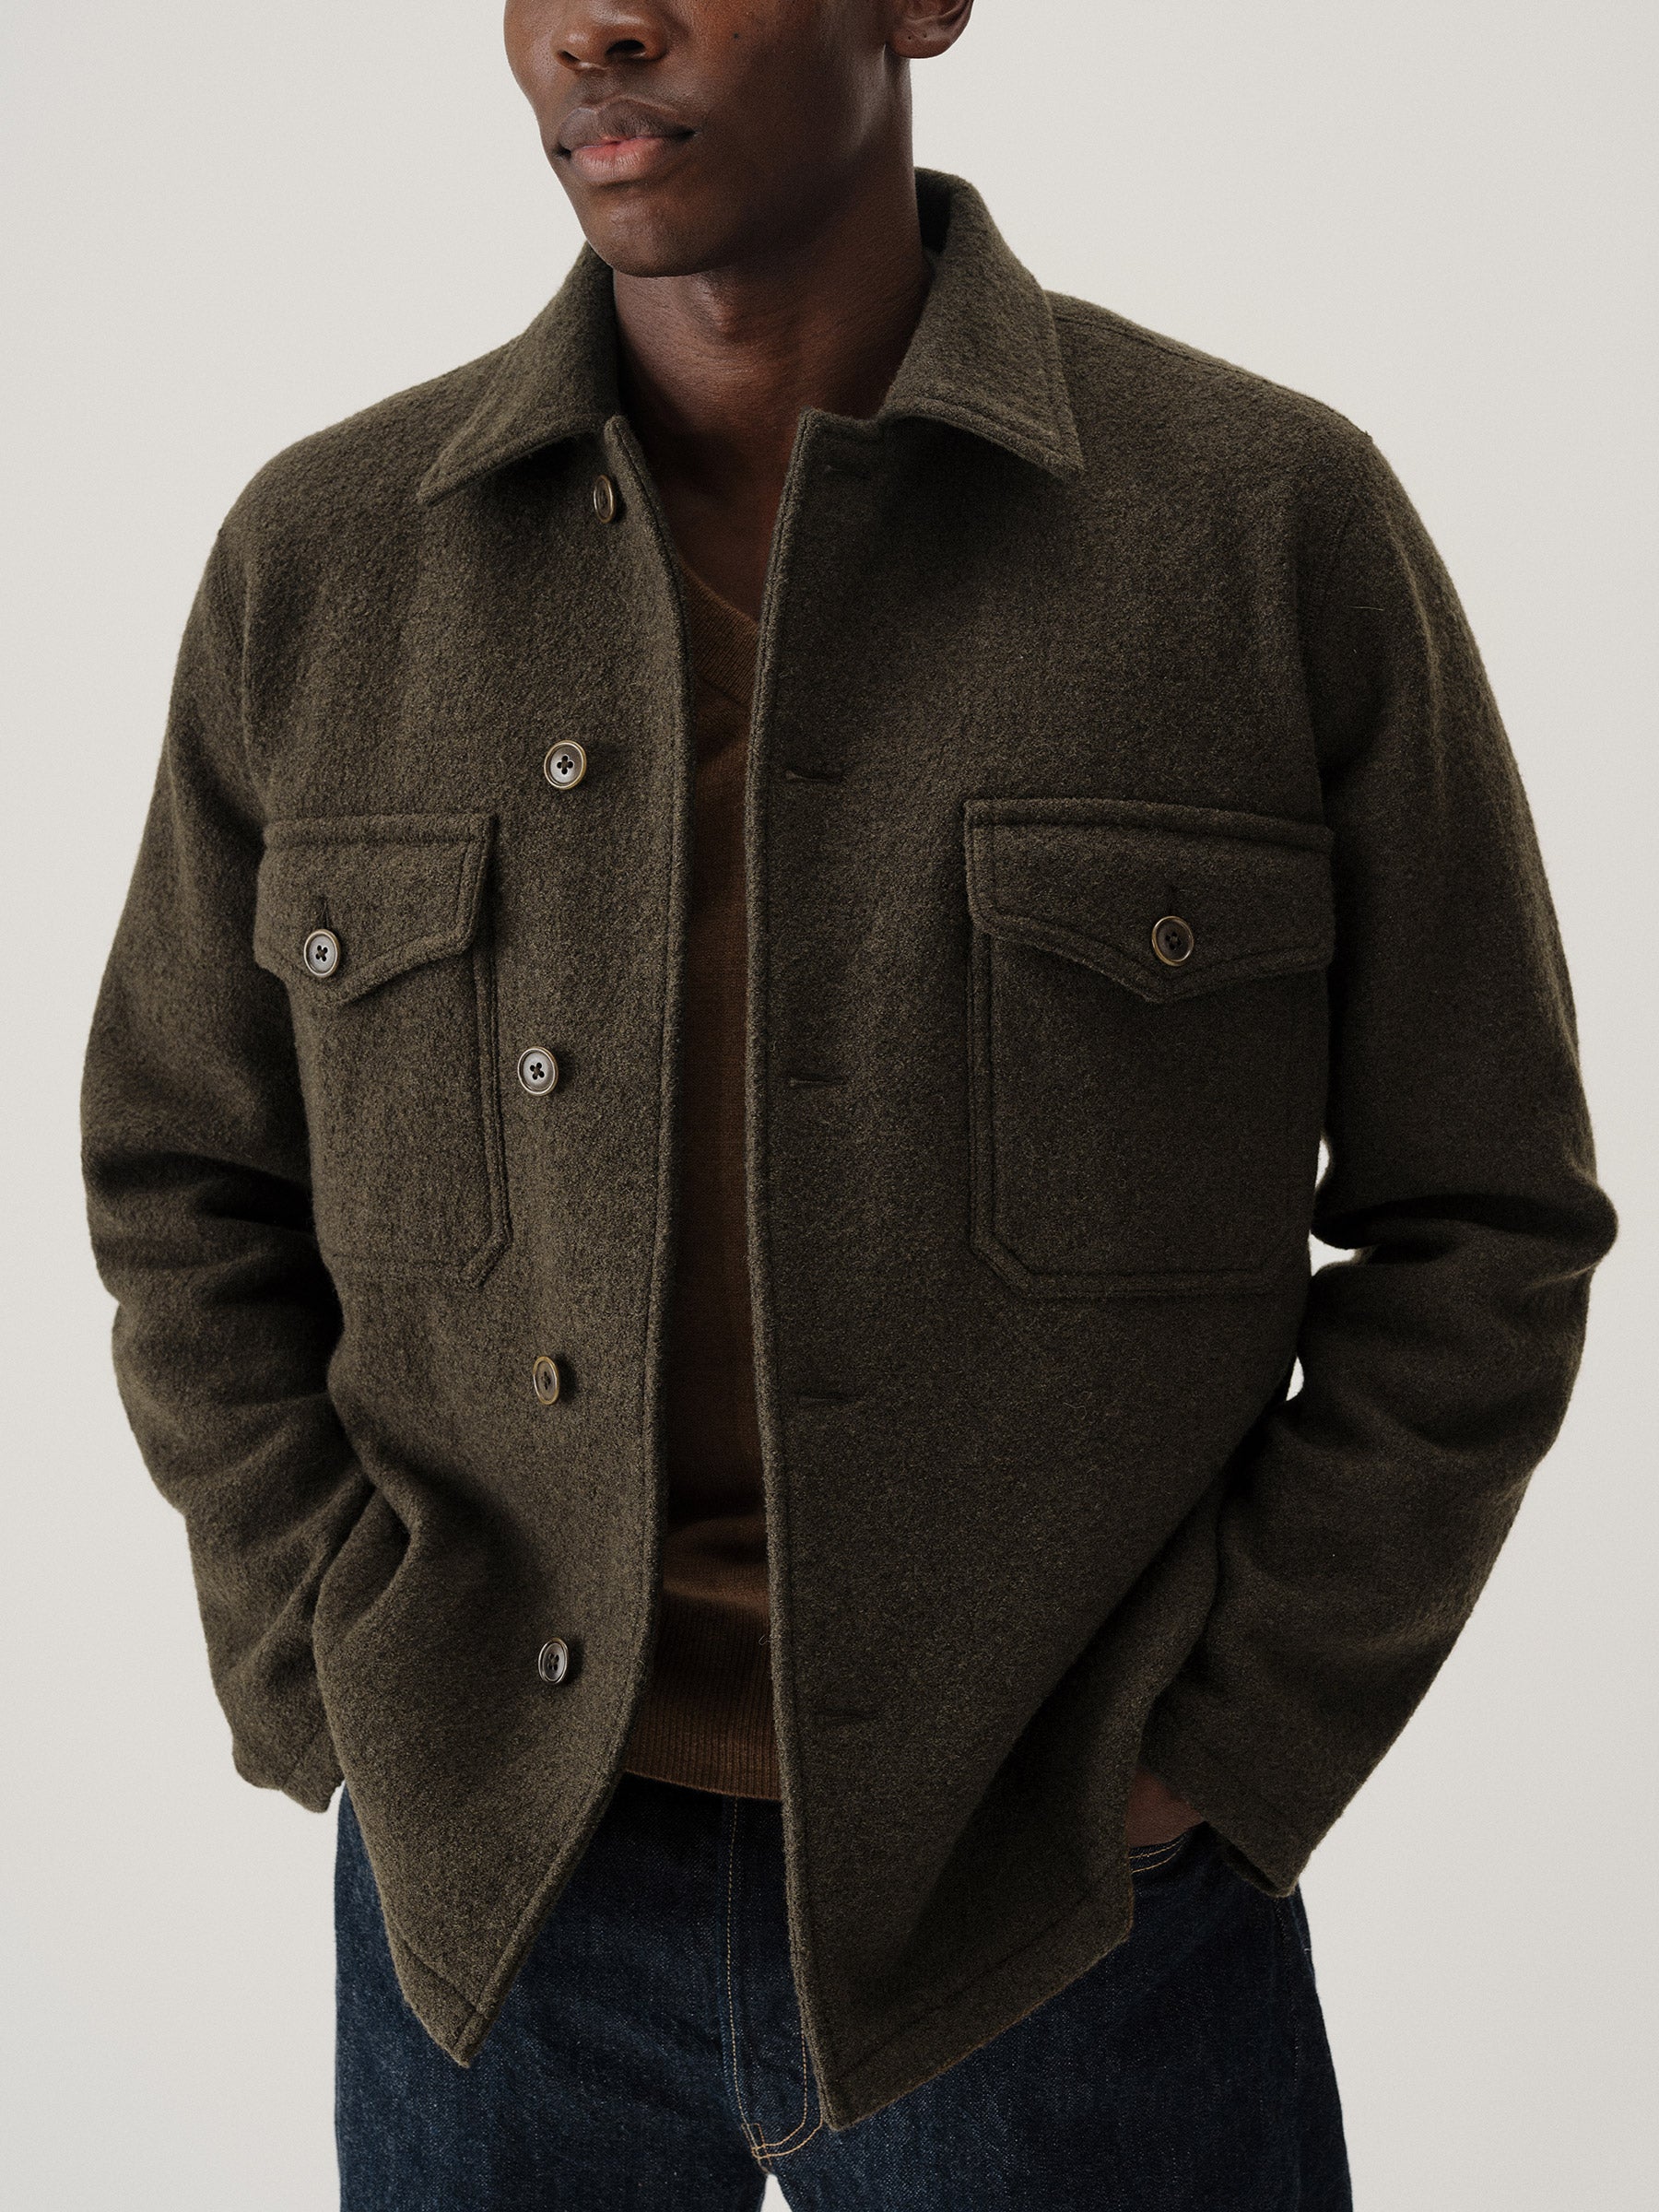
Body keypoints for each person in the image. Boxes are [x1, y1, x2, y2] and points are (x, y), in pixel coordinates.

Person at [81, 2, 1617, 2205]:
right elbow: (183, 1175)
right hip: (496, 1920)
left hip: (1067, 1920)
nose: (594, 26)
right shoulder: (327, 563)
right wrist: (328, 1662)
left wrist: (1228, 1742)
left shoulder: (1264, 528)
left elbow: (1487, 1214)